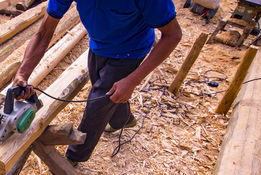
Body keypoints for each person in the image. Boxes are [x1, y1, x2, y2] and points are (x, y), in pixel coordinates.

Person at [13, 0, 182, 164]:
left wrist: (132, 80)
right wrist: (22, 73)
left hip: (131, 51)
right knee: (111, 95)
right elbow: (43, 34)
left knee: (97, 107)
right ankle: (123, 120)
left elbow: (173, 34)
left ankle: (74, 157)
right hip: (98, 45)